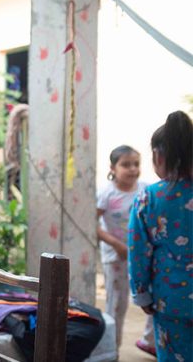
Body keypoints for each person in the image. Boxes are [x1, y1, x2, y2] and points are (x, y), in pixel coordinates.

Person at [128, 111, 193, 362]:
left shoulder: (149, 198)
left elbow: (138, 252)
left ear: (158, 155)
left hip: (170, 302)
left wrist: (141, 293)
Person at [95, 145, 155, 354]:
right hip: (116, 257)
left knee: (155, 299)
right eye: (126, 164)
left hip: (144, 257)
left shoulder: (146, 190)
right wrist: (116, 245)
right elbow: (91, 225)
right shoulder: (105, 194)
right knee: (116, 306)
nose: (132, 169)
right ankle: (112, 351)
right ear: (113, 167)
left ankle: (151, 341)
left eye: (136, 164)